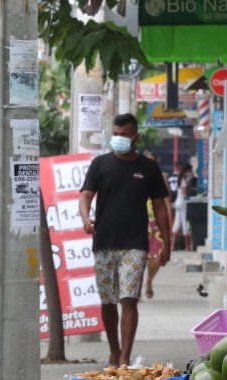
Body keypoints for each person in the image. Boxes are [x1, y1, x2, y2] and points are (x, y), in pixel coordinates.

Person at [80, 114, 171, 367]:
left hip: (135, 244)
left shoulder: (147, 167)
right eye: (116, 133)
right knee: (108, 301)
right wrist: (86, 219)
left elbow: (160, 207)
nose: (119, 138)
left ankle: (124, 356)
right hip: (104, 243)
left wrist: (167, 242)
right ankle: (113, 350)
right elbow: (85, 195)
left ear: (135, 137)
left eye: (124, 134)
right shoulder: (100, 164)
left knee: (129, 299)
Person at [142, 151, 174, 299]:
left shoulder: (161, 179)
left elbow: (167, 204)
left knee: (156, 256)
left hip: (157, 224)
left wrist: (170, 225)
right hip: (139, 222)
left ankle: (149, 280)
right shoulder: (136, 176)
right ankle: (135, 290)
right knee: (138, 257)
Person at [171, 161, 196, 250]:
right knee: (185, 223)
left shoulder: (179, 178)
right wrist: (188, 188)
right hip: (182, 202)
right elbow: (184, 192)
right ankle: (188, 246)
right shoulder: (184, 180)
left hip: (177, 202)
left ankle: (172, 246)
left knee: (177, 224)